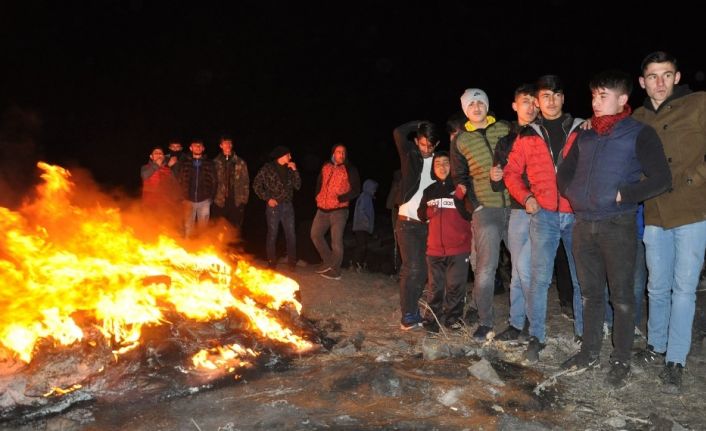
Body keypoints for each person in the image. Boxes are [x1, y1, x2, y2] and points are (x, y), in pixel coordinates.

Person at [557, 69, 671, 388]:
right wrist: (575, 194)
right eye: (593, 95)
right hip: (584, 224)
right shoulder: (585, 134)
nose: (595, 101)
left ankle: (621, 357)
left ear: (622, 99)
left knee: (621, 297)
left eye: (603, 95)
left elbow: (662, 177)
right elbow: (563, 174)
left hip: (617, 223)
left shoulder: (639, 133)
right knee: (590, 294)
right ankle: (589, 352)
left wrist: (626, 194)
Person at [631, 51, 706, 393]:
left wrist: (697, 177)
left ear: (677, 77)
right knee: (657, 285)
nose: (659, 82)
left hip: (692, 209)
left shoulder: (699, 103)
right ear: (642, 81)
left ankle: (675, 358)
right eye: (652, 76)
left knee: (684, 287)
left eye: (666, 75)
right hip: (656, 210)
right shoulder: (637, 117)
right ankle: (655, 345)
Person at [503, 75, 584, 362]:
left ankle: (584, 335)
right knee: (539, 279)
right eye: (545, 96)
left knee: (580, 278)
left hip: (575, 215)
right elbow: (511, 173)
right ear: (538, 101)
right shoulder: (527, 135)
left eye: (556, 95)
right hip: (544, 215)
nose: (551, 101)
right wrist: (526, 197)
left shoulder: (581, 129)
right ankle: (537, 336)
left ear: (563, 98)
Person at [450, 88, 511, 341]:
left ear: (487, 105)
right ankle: (486, 322)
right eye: (471, 104)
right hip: (486, 210)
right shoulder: (461, 140)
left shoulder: (505, 128)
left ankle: (522, 321)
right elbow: (460, 177)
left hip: (516, 207)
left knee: (522, 267)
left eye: (480, 102)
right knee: (486, 268)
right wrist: (475, 205)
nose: (476, 107)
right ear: (466, 109)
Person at [490, 83, 538, 341]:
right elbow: (498, 183)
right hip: (517, 210)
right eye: (525, 101)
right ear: (514, 106)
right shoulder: (506, 141)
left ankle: (532, 321)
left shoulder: (544, 133)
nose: (530, 107)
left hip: (544, 210)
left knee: (529, 269)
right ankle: (517, 322)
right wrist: (494, 175)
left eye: (534, 101)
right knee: (519, 269)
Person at [393, 120, 442, 330]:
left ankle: (413, 311)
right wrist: (419, 123)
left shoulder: (440, 163)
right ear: (417, 141)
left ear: (436, 144)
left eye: (430, 145)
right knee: (411, 268)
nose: (426, 149)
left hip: (427, 223)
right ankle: (407, 315)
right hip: (406, 221)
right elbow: (398, 131)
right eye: (422, 144)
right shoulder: (409, 156)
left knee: (422, 271)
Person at [417, 151, 472, 332]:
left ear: (452, 165)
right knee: (435, 287)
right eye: (438, 163)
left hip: (458, 249)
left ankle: (453, 319)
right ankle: (432, 320)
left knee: (455, 286)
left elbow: (469, 213)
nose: (442, 167)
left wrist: (458, 198)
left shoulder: (462, 187)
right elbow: (420, 213)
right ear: (433, 168)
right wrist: (428, 212)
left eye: (446, 163)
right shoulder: (429, 190)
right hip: (434, 250)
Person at [310, 144, 361, 280]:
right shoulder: (326, 166)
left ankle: (335, 270)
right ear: (333, 154)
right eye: (339, 152)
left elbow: (356, 189)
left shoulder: (350, 169)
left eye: (344, 152)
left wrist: (342, 198)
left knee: (336, 241)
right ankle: (328, 262)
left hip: (339, 210)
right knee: (315, 235)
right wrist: (317, 196)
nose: (341, 155)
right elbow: (319, 183)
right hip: (322, 209)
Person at [253, 145, 301, 270]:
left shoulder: (290, 168)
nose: (290, 157)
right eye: (288, 155)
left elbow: (298, 186)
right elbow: (256, 184)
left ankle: (292, 263)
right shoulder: (268, 168)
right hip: (274, 207)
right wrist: (268, 198)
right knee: (272, 234)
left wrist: (295, 170)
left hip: (288, 206)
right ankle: (271, 263)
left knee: (291, 234)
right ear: (281, 156)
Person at [174, 140, 217, 238]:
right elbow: (179, 180)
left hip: (204, 201)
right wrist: (182, 197)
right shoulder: (184, 163)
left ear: (203, 148)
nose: (197, 147)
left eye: (200, 146)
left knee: (203, 229)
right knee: (188, 228)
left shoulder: (209, 163)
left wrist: (211, 198)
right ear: (190, 148)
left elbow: (214, 181)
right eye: (195, 146)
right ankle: (189, 248)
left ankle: (202, 249)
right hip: (188, 201)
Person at [212, 135, 249, 231]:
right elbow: (211, 181)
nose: (228, 145)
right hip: (219, 201)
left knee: (235, 228)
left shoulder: (240, 162)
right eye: (225, 143)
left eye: (229, 143)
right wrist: (212, 198)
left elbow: (245, 181)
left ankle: (234, 246)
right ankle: (219, 246)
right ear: (221, 145)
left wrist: (244, 199)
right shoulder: (215, 162)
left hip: (236, 200)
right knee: (218, 228)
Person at [140, 146, 181, 224]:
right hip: (149, 205)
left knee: (164, 227)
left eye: (160, 153)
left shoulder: (167, 169)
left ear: (163, 156)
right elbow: (144, 175)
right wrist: (156, 165)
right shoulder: (145, 167)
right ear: (151, 157)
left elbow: (174, 185)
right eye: (156, 153)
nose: (159, 155)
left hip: (165, 205)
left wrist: (178, 200)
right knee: (150, 227)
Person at [352, 179, 378, 272]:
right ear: (368, 188)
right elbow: (361, 210)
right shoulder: (365, 197)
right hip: (361, 226)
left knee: (362, 246)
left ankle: (358, 264)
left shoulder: (367, 197)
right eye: (373, 188)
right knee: (362, 246)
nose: (375, 190)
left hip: (362, 226)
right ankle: (356, 264)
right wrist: (367, 223)